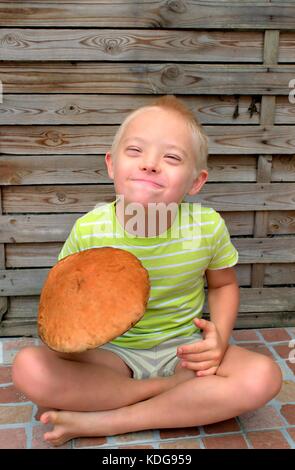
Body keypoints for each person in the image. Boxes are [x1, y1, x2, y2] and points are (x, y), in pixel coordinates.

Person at [12, 95, 282, 446]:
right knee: (29, 368)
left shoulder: (206, 226)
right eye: (135, 151)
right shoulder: (90, 229)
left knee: (263, 377)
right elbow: (64, 295)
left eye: (171, 157)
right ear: (111, 164)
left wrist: (218, 338)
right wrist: (69, 340)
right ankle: (164, 391)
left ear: (196, 182)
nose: (151, 164)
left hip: (183, 350)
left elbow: (222, 285)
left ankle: (108, 420)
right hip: (112, 355)